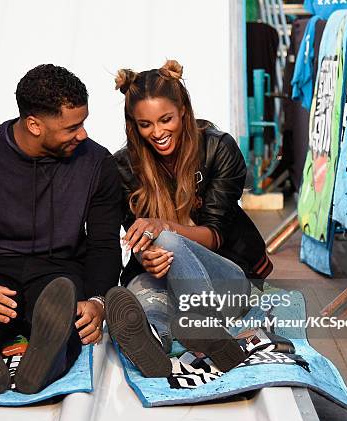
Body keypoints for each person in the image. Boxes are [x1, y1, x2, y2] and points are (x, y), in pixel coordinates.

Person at [0, 64, 122, 395]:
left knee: (66, 317)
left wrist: (98, 299)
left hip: (57, 278)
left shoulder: (98, 164)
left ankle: (45, 362)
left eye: (83, 123)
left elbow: (104, 246)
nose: (83, 134)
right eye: (72, 127)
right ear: (33, 125)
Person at [105, 60, 273, 377]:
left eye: (165, 119)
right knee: (145, 290)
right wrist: (148, 256)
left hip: (226, 277)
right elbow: (137, 234)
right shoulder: (124, 166)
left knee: (166, 238)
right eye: (145, 125)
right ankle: (154, 340)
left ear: (183, 110)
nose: (157, 132)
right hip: (164, 281)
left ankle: (202, 324)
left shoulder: (218, 148)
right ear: (133, 124)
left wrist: (164, 230)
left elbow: (216, 234)